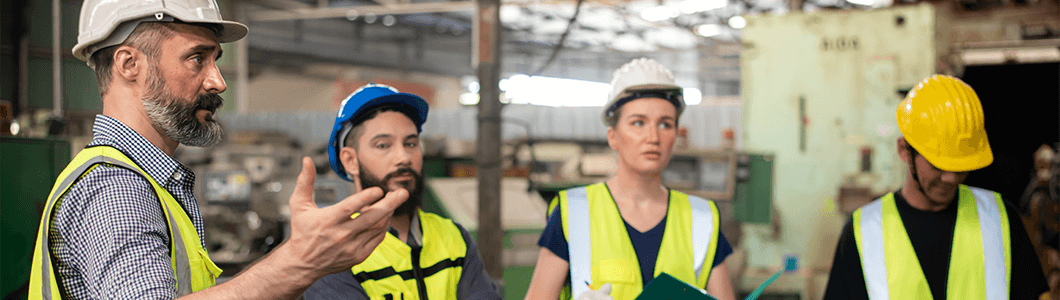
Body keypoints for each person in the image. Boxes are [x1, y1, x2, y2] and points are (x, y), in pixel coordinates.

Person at [28, 1, 407, 299]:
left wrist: (297, 263)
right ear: (129, 64)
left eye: (216, 60)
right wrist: (298, 261)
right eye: (197, 58)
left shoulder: (152, 183)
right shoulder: (116, 187)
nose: (219, 82)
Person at [524, 58, 737, 300]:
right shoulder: (573, 213)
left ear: (675, 136)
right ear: (613, 136)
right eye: (638, 122)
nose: (653, 136)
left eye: (665, 124)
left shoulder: (702, 219)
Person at [823, 75, 1049, 300]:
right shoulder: (864, 233)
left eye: (961, 165)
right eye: (938, 165)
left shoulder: (1000, 220)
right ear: (904, 150)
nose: (950, 178)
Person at [303, 84, 502, 299]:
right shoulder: (335, 249)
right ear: (350, 160)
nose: (404, 157)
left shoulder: (454, 237)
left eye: (410, 143)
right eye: (383, 145)